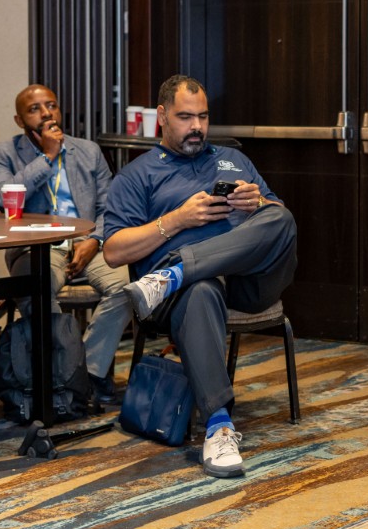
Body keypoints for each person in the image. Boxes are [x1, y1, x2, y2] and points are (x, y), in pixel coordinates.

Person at [102, 74, 297, 479]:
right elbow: (114, 250)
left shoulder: (233, 160)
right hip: (184, 299)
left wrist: (257, 203)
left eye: (203, 117)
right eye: (185, 117)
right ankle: (219, 427)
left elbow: (274, 219)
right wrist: (176, 220)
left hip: (247, 282)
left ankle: (176, 271)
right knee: (201, 290)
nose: (197, 127)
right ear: (162, 116)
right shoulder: (136, 176)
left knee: (282, 218)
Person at [0, 84, 133, 404]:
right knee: (37, 290)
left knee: (125, 288)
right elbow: (2, 196)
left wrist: (94, 240)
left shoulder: (88, 151)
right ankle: (63, 375)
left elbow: (110, 208)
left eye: (51, 105)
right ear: (19, 120)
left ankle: (85, 372)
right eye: (34, 109)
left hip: (87, 243)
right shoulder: (3, 153)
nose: (46, 113)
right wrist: (48, 156)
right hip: (37, 246)